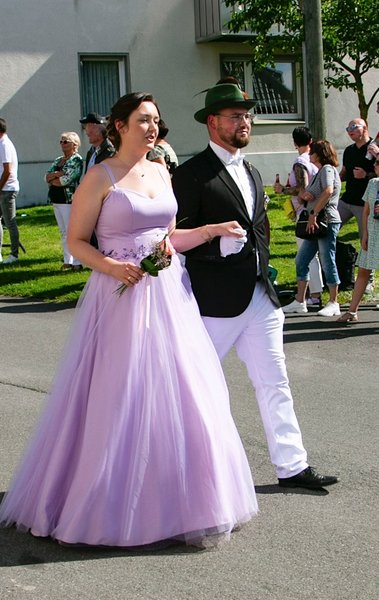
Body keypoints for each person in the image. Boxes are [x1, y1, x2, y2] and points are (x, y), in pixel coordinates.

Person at [0, 91, 257, 549]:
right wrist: (113, 267)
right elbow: (76, 241)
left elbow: (169, 237)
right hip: (120, 296)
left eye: (155, 120)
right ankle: (101, 499)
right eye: (143, 120)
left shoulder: (161, 170)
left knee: (182, 392)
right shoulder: (100, 176)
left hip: (169, 294)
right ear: (120, 126)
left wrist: (212, 230)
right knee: (120, 395)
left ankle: (180, 500)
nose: (152, 128)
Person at [172, 82, 338, 490]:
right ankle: (189, 472)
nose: (244, 122)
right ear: (213, 122)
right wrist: (215, 246)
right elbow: (172, 239)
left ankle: (292, 466)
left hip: (261, 295)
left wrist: (266, 271)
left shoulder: (251, 170)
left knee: (275, 382)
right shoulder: (191, 175)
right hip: (213, 301)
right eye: (235, 116)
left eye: (247, 115)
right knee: (196, 388)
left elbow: (257, 227)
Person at [283, 140, 342, 317]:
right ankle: (300, 301)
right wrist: (307, 196)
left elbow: (329, 191)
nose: (309, 155)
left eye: (312, 152)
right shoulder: (319, 172)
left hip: (325, 221)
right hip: (315, 223)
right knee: (302, 260)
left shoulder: (327, 169)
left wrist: (314, 213)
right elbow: (318, 193)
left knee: (327, 259)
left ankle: (334, 302)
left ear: (319, 154)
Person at [274, 127, 323, 309]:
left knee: (306, 255)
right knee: (313, 254)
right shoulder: (315, 161)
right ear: (310, 141)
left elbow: (303, 190)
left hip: (304, 213)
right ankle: (313, 295)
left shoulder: (300, 162)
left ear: (294, 143)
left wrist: (283, 190)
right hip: (316, 209)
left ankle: (312, 296)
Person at [337, 157, 379, 322]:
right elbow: (366, 211)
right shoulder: (373, 183)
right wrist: (365, 234)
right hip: (373, 234)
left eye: (378, 163)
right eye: (375, 162)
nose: (375, 165)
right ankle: (352, 311)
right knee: (363, 271)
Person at [45, 132, 83, 271]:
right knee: (63, 232)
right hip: (56, 199)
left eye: (65, 141)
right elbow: (46, 177)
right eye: (61, 141)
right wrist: (56, 174)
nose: (62, 144)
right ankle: (68, 260)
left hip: (68, 200)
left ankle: (77, 261)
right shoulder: (58, 160)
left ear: (74, 144)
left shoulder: (76, 160)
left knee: (71, 231)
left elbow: (66, 180)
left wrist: (55, 178)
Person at [0, 117, 20, 264]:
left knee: (10, 222)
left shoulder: (5, 144)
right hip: (3, 189)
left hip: (7, 189)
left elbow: (8, 170)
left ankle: (14, 255)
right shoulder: (0, 144)